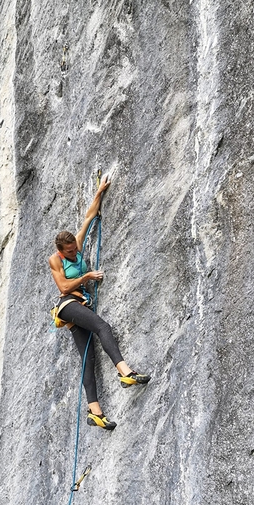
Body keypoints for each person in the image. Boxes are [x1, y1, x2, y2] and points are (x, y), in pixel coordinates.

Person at [49, 176, 150, 430]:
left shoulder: (77, 246)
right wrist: (86, 276)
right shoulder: (56, 260)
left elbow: (88, 217)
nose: (74, 252)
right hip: (68, 305)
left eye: (75, 249)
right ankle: (125, 373)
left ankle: (95, 413)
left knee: (88, 359)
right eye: (70, 251)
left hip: (79, 307)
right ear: (61, 251)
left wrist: (99, 192)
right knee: (103, 327)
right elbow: (62, 287)